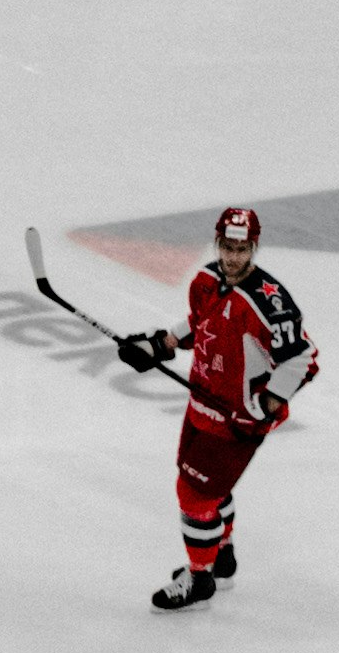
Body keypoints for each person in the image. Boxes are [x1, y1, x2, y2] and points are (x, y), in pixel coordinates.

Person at [116, 201, 317, 608]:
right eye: (227, 246)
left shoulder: (269, 303)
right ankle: (220, 556)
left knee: (194, 494)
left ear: (254, 248)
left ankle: (200, 578)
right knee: (207, 485)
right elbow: (200, 322)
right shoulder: (206, 280)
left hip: (237, 419)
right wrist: (161, 343)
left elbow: (303, 357)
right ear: (217, 243)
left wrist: (267, 402)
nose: (232, 256)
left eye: (241, 250)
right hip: (203, 402)